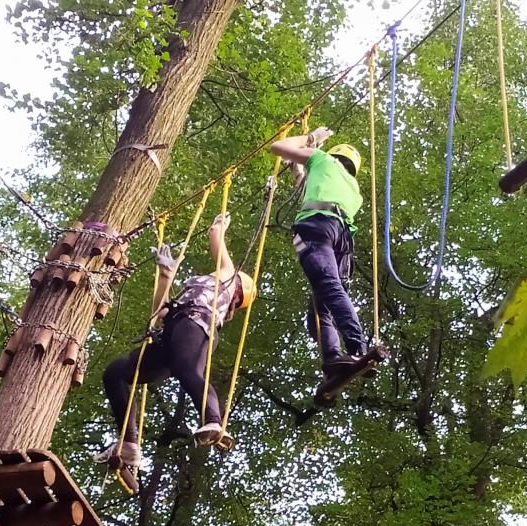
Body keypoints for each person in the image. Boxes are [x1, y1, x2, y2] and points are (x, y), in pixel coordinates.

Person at [94, 213, 255, 473]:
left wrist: (218, 228)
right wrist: (165, 276)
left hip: (194, 327)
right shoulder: (195, 292)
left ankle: (213, 420)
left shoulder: (226, 279)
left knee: (188, 370)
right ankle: (129, 444)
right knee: (116, 373)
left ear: (239, 287)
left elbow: (216, 241)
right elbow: (159, 311)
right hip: (172, 334)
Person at [270, 127, 368, 376]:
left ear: (332, 155)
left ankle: (358, 347)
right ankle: (333, 359)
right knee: (322, 302)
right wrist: (298, 171)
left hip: (315, 228)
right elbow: (314, 189)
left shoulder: (322, 159)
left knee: (329, 289)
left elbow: (278, 147)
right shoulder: (354, 190)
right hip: (341, 238)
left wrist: (312, 139)